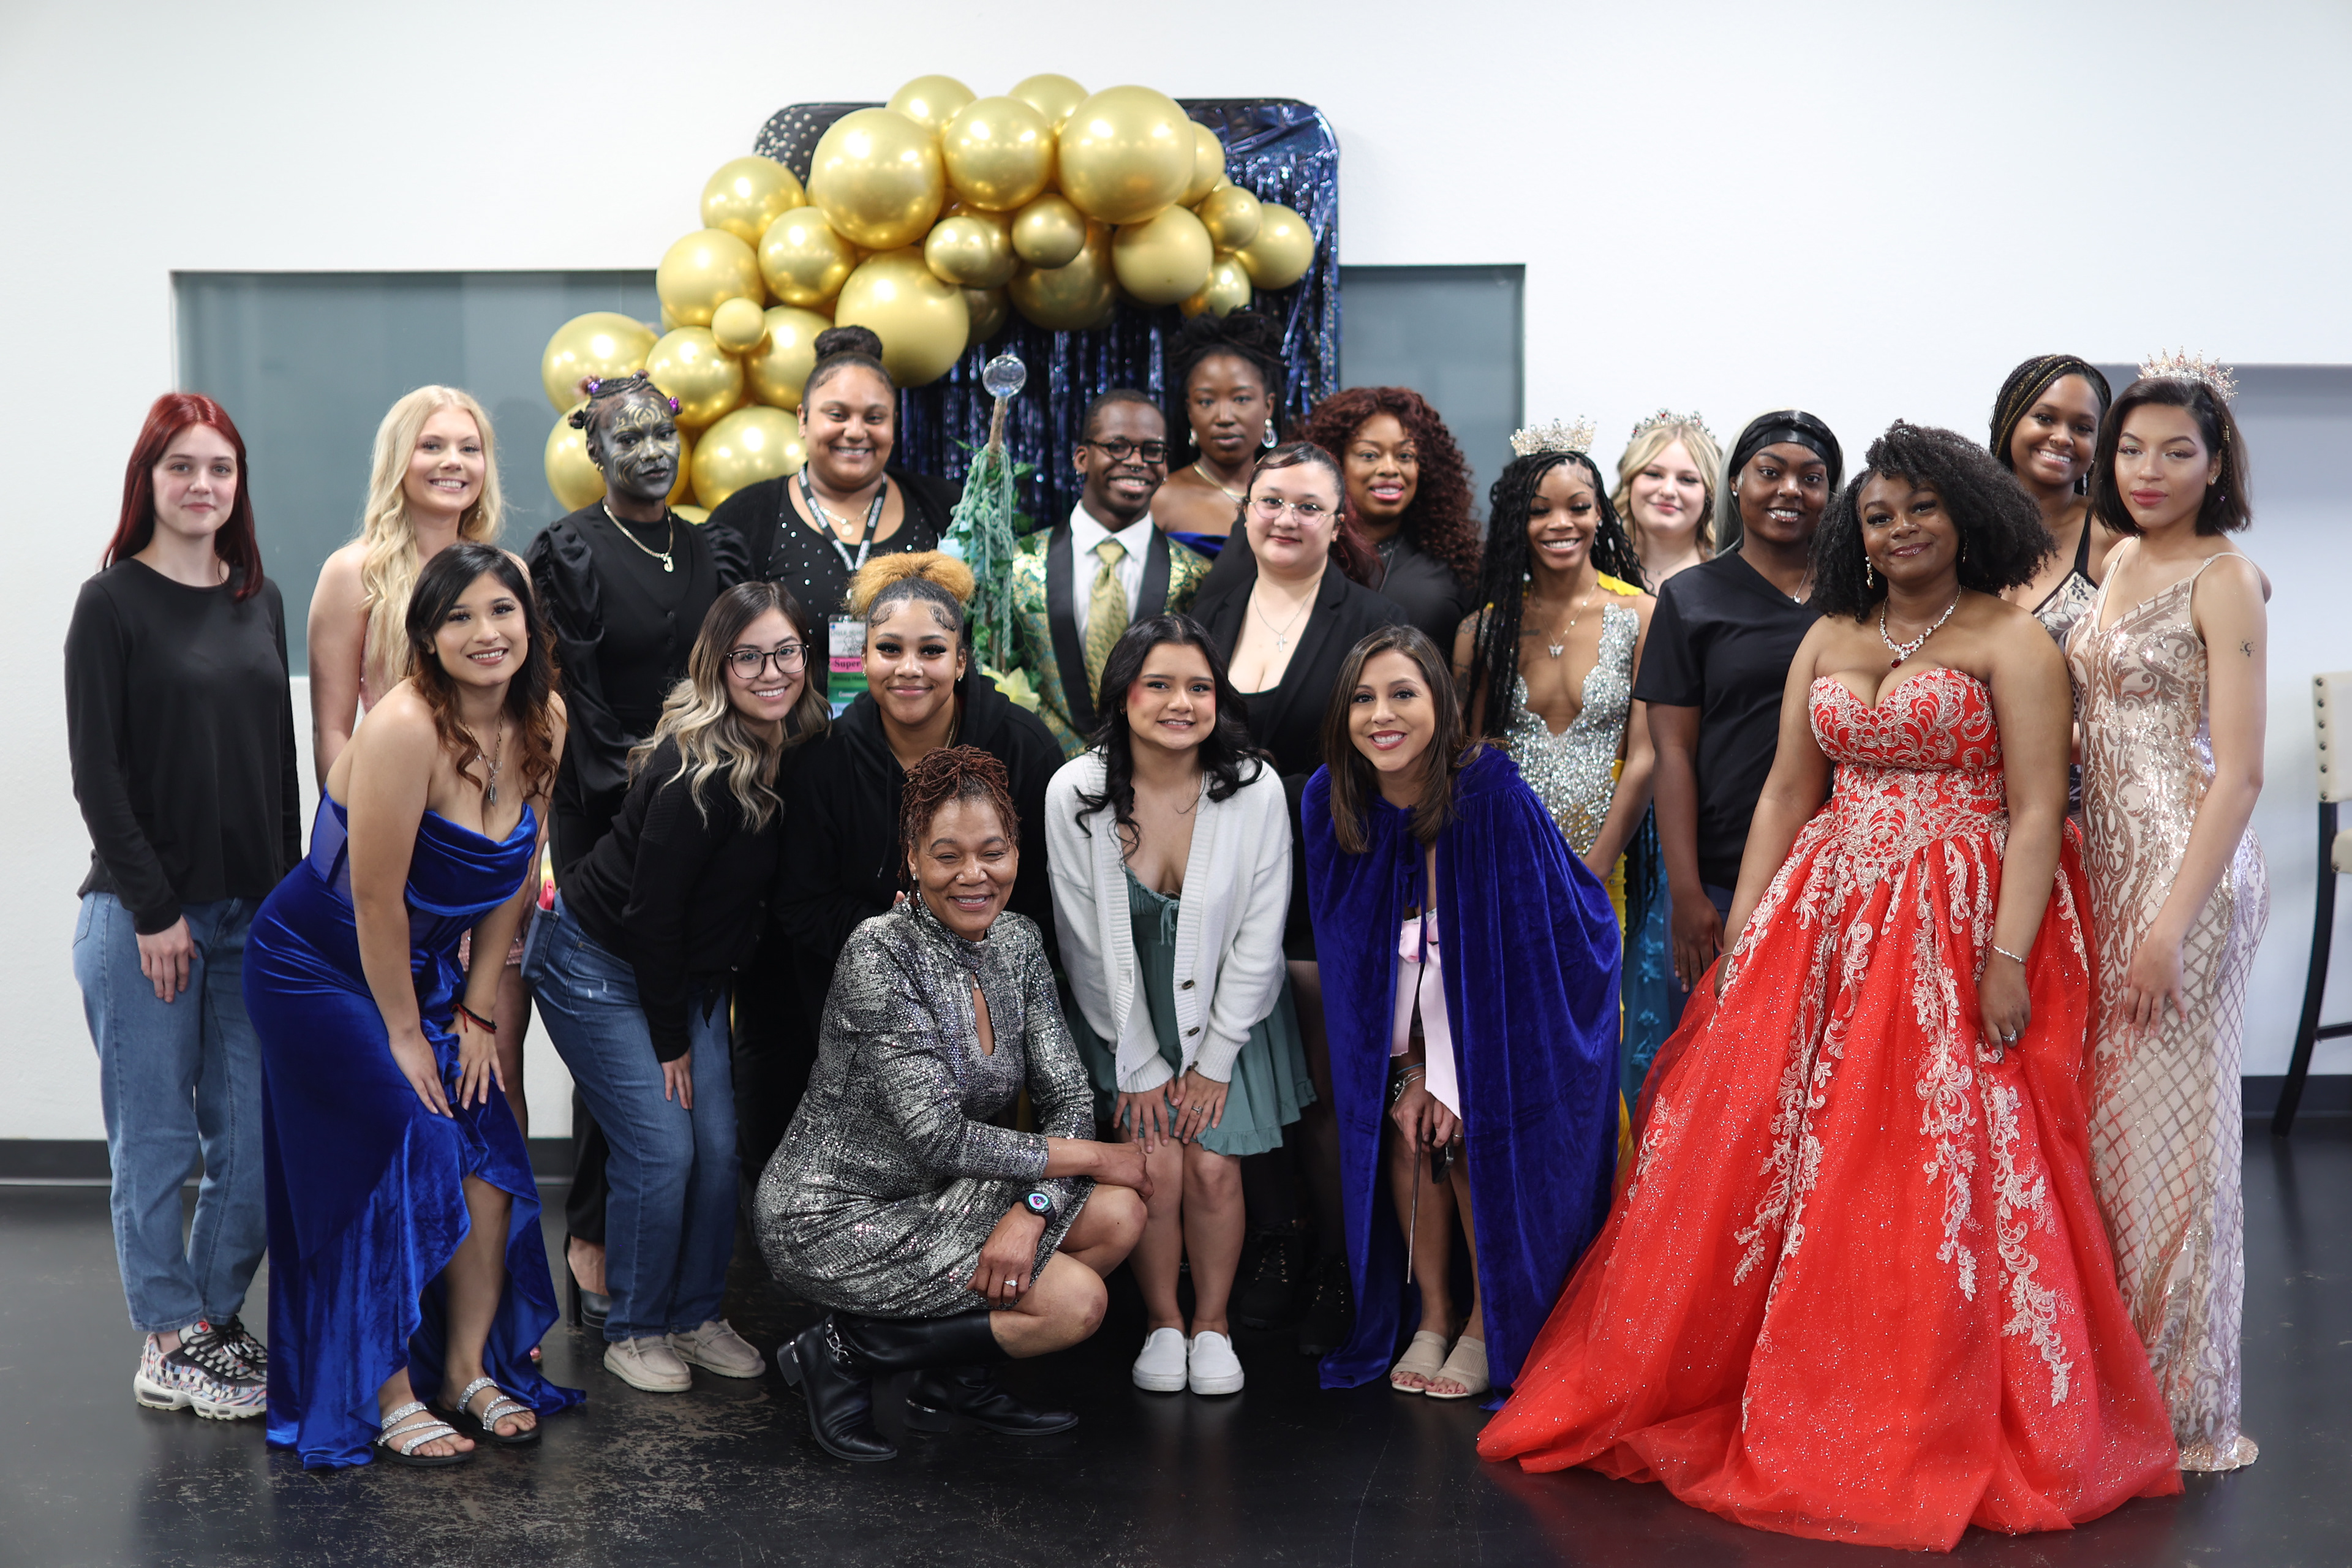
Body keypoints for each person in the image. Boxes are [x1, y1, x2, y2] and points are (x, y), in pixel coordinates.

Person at [1479, 423, 2182, 1551]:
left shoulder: (2011, 639)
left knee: (1935, 1147)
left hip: (1954, 911)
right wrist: (1749, 931)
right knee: (1780, 1139)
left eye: (1922, 509)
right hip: (1827, 903)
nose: (1899, 530)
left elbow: (2040, 809)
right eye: (1880, 514)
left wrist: (2007, 958)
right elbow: (1783, 793)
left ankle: (1925, 1394)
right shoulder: (1833, 632)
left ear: (1969, 516)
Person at [246, 543, 581, 1468]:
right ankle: (384, 1386)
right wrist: (405, 1034)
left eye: (502, 611)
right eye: (460, 617)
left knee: (490, 1139)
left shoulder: (545, 717)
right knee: (411, 1132)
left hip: (423, 969)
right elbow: (375, 899)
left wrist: (478, 1014)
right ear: (427, 637)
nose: (487, 632)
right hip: (316, 966)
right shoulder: (403, 727)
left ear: (529, 624)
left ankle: (465, 1370)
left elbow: (518, 875)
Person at [757, 747, 1150, 1462]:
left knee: (1121, 1214)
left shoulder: (1019, 942)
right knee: (1076, 1303)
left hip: (949, 1194)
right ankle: (843, 1350)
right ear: (912, 859)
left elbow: (1067, 1094)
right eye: (948, 856)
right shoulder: (879, 953)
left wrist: (1033, 1210)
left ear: (1016, 853)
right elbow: (939, 1137)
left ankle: (951, 1383)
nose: (974, 874)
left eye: (993, 852)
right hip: (834, 1214)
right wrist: (1096, 1156)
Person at [523, 582, 826, 1393]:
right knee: (663, 1149)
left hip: (687, 975)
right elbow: (651, 917)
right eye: (749, 657)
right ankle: (635, 1329)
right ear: (718, 666)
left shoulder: (792, 743)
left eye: (786, 652)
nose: (771, 671)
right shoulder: (696, 772)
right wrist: (670, 1044)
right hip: (596, 963)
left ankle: (694, 1316)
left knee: (719, 1151)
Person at [1305, 626, 1619, 1402]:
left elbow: (1528, 948)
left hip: (1503, 1025)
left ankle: (1486, 1320)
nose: (1383, 714)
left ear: (1440, 703)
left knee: (1471, 1138)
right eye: (1364, 698)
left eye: (1402, 694)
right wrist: (1413, 1073)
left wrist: (1455, 1079)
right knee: (1409, 1137)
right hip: (1406, 1030)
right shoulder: (1331, 800)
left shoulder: (1490, 793)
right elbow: (1357, 967)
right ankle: (1434, 1313)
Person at [67, 393, 298, 1421]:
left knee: (253, 1134)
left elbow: (278, 768)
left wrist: (287, 904)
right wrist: (156, 909)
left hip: (251, 916)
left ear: (238, 485)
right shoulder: (110, 602)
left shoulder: (260, 598)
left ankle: (208, 1319)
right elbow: (99, 776)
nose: (203, 484)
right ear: (148, 480)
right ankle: (165, 1341)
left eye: (220, 468)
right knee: (157, 1141)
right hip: (142, 919)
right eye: (182, 467)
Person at [2068, 355, 2269, 1472]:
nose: (2148, 470)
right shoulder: (2120, 557)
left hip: (2189, 878)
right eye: (2131, 449)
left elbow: (2238, 776)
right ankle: (2121, 1389)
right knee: (2117, 1137)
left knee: (2180, 1144)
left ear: (2215, 461)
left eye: (2176, 452)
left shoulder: (2226, 578)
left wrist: (2167, 927)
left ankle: (2187, 1411)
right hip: (2111, 869)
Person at [527, 371, 744, 1330]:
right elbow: (564, 691)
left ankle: (676, 1281)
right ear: (594, 450)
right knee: (617, 1044)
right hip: (605, 810)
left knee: (680, 1021)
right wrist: (649, 779)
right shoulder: (567, 551)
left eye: (663, 435)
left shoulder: (711, 548)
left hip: (702, 813)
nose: (651, 452)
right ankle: (594, 1242)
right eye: (629, 438)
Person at [1046, 616, 1306, 1398]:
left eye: (1199, 687)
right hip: (1123, 1011)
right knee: (1155, 1162)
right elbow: (1082, 944)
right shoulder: (1075, 789)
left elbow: (1261, 933)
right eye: (1158, 684)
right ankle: (1163, 1320)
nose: (1181, 703)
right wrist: (1140, 1061)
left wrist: (1216, 1059)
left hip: (1235, 1007)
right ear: (1123, 694)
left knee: (1216, 1169)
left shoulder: (1254, 787)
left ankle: (1213, 1323)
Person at [1189, 443, 1404, 1356]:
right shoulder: (1206, 612)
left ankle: (1343, 1262)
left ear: (1337, 522)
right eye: (1271, 501)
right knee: (1243, 1073)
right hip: (1225, 877)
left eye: (1308, 507)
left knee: (1322, 1081)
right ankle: (1275, 1242)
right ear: (1247, 511)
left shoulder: (1374, 622)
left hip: (1330, 871)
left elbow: (1391, 749)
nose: (1286, 519)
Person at [765, 554, 1065, 1164]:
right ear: (863, 658)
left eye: (931, 651)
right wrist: (907, 939)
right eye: (889, 649)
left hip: (990, 1017)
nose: (909, 669)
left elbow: (1044, 904)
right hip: (859, 1026)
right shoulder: (820, 763)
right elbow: (801, 903)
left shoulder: (1024, 748)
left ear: (961, 660)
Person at [306, 388, 536, 1124]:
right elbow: (334, 734)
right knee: (407, 1083)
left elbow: (529, 728)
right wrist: (375, 859)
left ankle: (498, 1206)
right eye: (432, 445)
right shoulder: (354, 574)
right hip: (397, 873)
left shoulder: (509, 572)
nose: (452, 461)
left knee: (494, 1070)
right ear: (397, 460)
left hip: (486, 865)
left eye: (469, 447)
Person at [1640, 410, 1840, 1024]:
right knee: (1714, 1055)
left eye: (1811, 478)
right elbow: (1671, 752)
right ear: (1735, 483)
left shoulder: (1857, 599)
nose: (1790, 490)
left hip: (1837, 875)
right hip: (1722, 880)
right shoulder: (1690, 597)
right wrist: (1686, 890)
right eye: (1770, 472)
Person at [1007, 390, 1212, 758]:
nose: (1136, 461)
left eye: (1152, 450)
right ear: (1082, 458)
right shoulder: (1016, 563)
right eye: (1117, 447)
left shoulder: (1197, 574)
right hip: (1043, 767)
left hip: (1157, 767)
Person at [706, 324, 960, 618]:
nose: (856, 432)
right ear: (803, 419)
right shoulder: (744, 517)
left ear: (894, 423)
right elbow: (719, 636)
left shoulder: (946, 508)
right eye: (838, 415)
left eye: (874, 418)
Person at [1989, 355, 2120, 641]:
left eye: (2082, 428)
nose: (2062, 438)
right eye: (2045, 418)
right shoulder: (1962, 530)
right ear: (2010, 420)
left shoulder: (2115, 536)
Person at [1151, 310, 1287, 555]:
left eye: (1241, 399)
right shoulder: (1162, 499)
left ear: (1269, 406)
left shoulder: (1293, 499)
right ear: (1189, 411)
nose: (1224, 417)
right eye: (1206, 402)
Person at [1608, 410, 1723, 589]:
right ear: (1629, 482)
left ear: (1710, 493)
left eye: (1687, 480)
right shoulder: (1593, 569)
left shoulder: (1726, 582)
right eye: (1654, 474)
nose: (1668, 491)